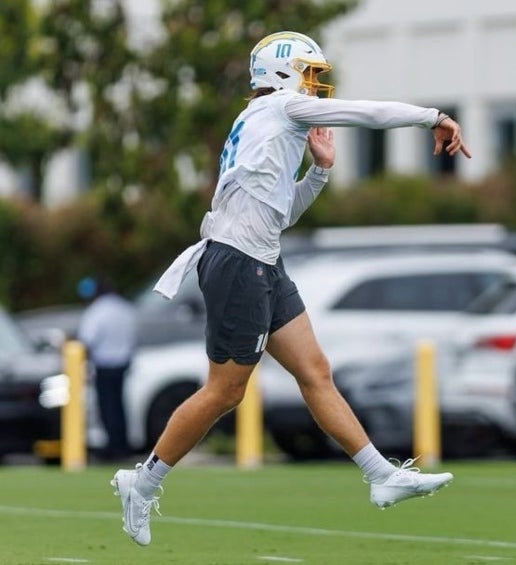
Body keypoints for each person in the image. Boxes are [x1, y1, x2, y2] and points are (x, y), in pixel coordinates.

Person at [110, 31, 470, 547]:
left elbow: (280, 217)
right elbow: (366, 113)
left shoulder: (263, 121)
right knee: (225, 391)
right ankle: (141, 482)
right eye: (310, 74)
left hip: (262, 259)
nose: (316, 88)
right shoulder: (278, 109)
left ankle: (380, 475)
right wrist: (432, 116)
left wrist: (320, 173)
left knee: (314, 370)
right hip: (237, 262)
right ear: (283, 73)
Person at [78, 275, 138, 461]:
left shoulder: (97, 312)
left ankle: (112, 448)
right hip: (122, 364)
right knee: (120, 406)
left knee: (107, 408)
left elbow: (87, 341)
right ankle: (122, 446)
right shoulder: (126, 309)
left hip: (104, 366)